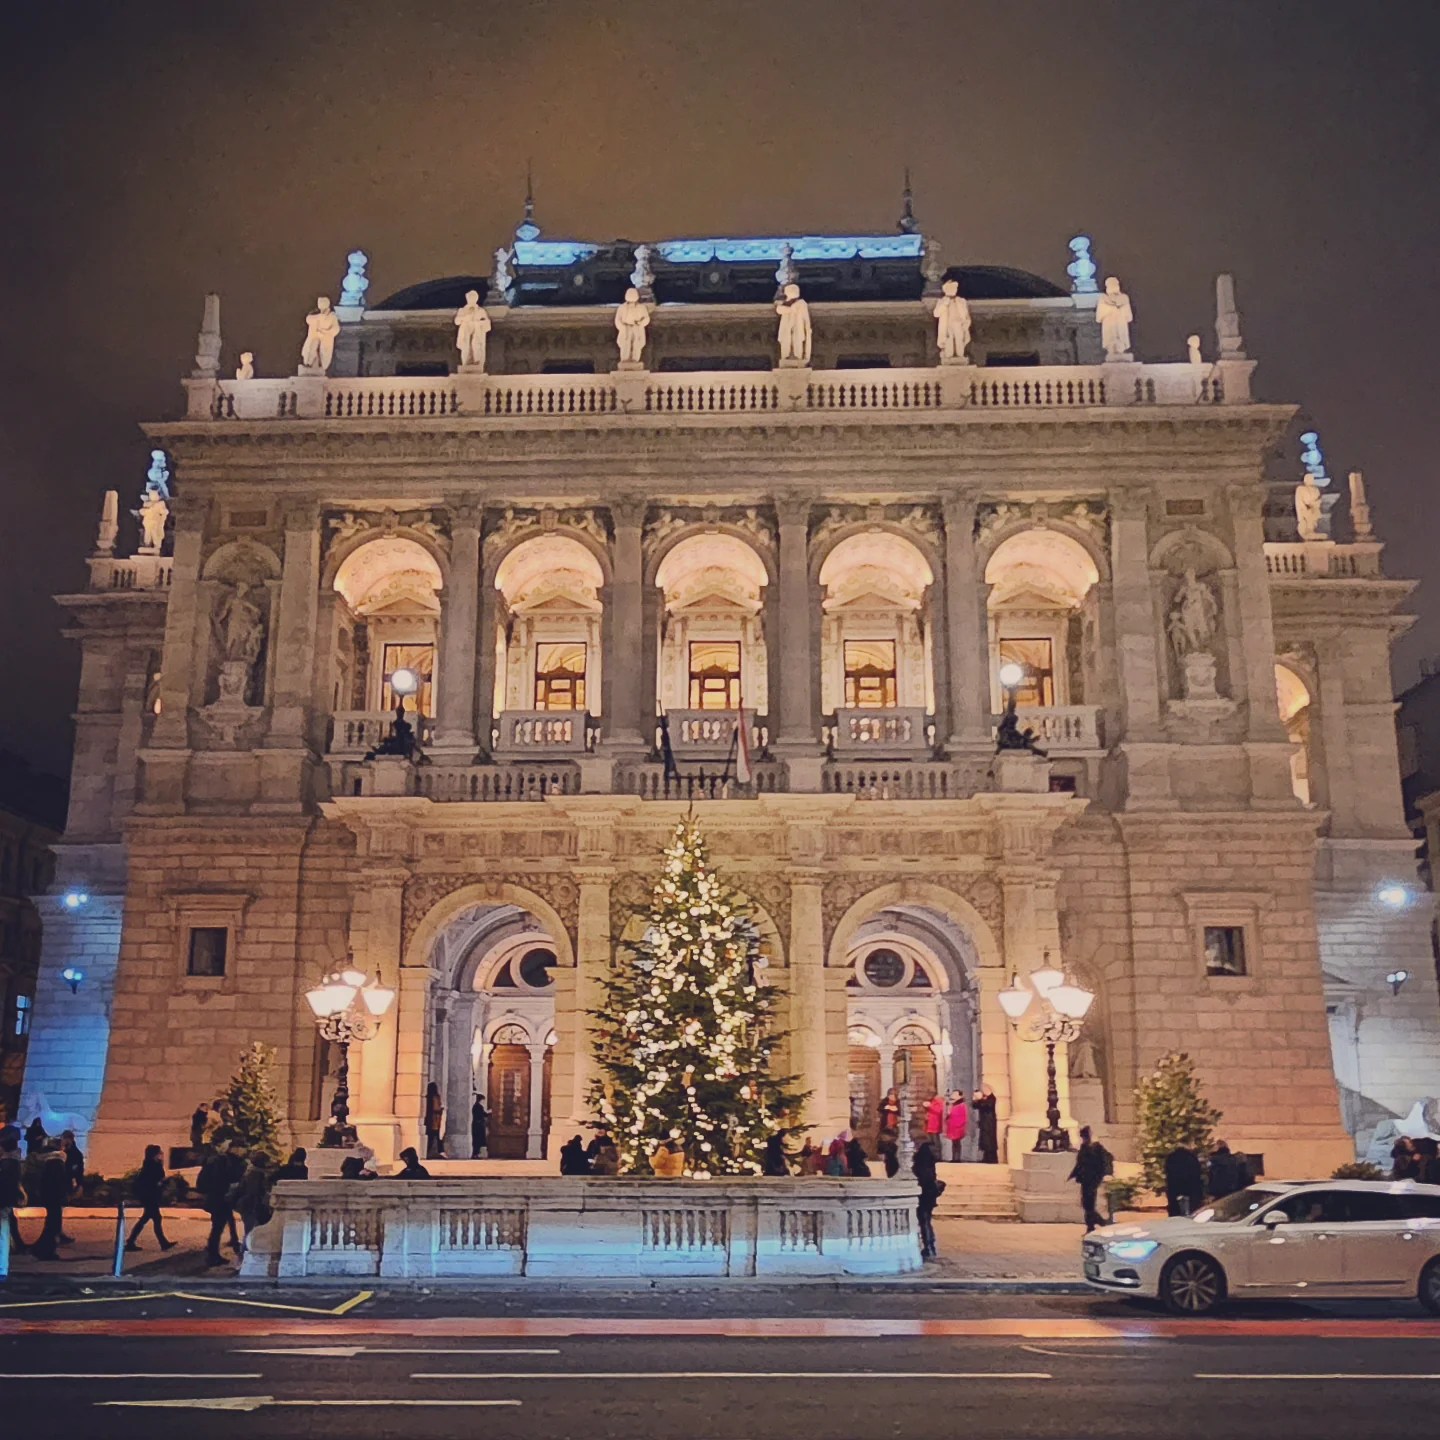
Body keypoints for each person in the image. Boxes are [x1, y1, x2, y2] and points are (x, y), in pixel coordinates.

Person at [197, 1143, 245, 1264]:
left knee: (218, 1226)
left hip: (216, 1198)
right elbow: (224, 1179)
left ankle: (215, 1252)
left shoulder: (217, 1160)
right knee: (217, 1228)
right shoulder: (223, 1162)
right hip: (220, 1198)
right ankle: (213, 1256)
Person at [125, 1144, 176, 1252]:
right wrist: (163, 1181)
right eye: (159, 1152)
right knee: (156, 1218)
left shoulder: (149, 1165)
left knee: (146, 1219)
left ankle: (131, 1242)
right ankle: (163, 1243)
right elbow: (156, 1180)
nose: (161, 1154)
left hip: (148, 1196)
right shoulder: (153, 1165)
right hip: (150, 1196)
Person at [29, 1145, 72, 1261]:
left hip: (49, 1199)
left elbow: (43, 1184)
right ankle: (45, 1250)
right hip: (55, 1200)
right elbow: (61, 1183)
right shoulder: (58, 1165)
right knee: (54, 1226)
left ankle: (41, 1248)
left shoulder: (47, 1165)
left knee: (51, 1225)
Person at [1068, 1126, 1112, 1233]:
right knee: (1086, 1203)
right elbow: (1080, 1163)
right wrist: (1074, 1174)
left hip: (1093, 1179)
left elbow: (1105, 1160)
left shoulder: (1096, 1148)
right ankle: (1095, 1223)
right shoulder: (1085, 1147)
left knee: (1089, 1203)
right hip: (1085, 1179)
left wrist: (1103, 1174)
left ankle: (1095, 1223)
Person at [231, 1153, 274, 1247]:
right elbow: (254, 1192)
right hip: (251, 1206)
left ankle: (246, 1249)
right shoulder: (255, 1174)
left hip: (248, 1205)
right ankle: (246, 1250)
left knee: (250, 1229)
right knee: (250, 1230)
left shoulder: (252, 1172)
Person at [913, 1140, 941, 1260]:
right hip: (929, 1196)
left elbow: (922, 1179)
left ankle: (929, 1246)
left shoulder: (921, 1164)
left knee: (924, 1222)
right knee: (926, 1222)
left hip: (923, 1196)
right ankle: (930, 1246)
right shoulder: (930, 1164)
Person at [0, 1131, 25, 1256]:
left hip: (4, 1198)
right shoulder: (13, 1162)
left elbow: (5, 1183)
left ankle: (15, 1246)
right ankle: (18, 1245)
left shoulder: (7, 1163)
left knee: (7, 1222)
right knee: (10, 1221)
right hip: (8, 1198)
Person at [1164, 1143, 1205, 1217]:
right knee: (1193, 1206)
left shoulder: (1171, 1157)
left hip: (1174, 1186)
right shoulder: (1192, 1157)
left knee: (1175, 1207)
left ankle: (1175, 1217)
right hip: (1191, 1186)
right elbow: (1197, 1171)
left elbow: (1167, 1171)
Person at [973, 1084, 999, 1164]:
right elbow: (975, 1106)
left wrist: (980, 1099)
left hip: (989, 1123)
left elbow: (987, 1105)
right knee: (985, 1140)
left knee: (990, 1140)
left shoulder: (992, 1098)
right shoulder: (985, 1098)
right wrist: (975, 1099)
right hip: (984, 1122)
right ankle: (986, 1156)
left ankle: (991, 1158)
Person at [945, 1090, 969, 1163]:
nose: (953, 1095)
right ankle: (954, 1157)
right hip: (953, 1125)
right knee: (954, 1143)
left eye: (955, 1094)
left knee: (957, 1142)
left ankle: (957, 1158)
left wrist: (959, 1124)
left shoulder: (961, 1105)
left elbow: (963, 1117)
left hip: (958, 1126)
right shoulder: (953, 1104)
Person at [424, 1082, 446, 1159]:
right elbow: (436, 1108)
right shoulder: (435, 1097)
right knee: (437, 1137)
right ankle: (440, 1151)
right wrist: (441, 1110)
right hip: (435, 1121)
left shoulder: (427, 1097)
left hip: (429, 1120)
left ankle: (427, 1151)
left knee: (431, 1137)